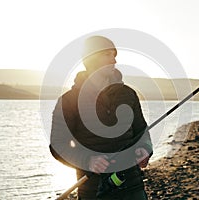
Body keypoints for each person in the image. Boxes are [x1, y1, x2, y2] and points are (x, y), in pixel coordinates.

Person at [49, 36, 153, 200]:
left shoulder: (128, 94)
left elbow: (142, 132)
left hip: (133, 187)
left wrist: (145, 149)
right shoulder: (69, 100)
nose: (114, 60)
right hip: (94, 191)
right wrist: (88, 160)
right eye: (108, 55)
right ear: (91, 58)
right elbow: (58, 145)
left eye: (115, 55)